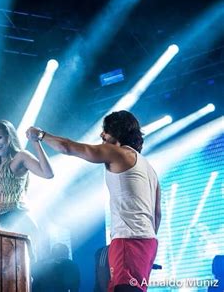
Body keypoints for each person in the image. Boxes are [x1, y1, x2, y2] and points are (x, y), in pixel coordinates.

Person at [26, 111, 161, 292]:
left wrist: (41, 135)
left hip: (128, 241)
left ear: (116, 131)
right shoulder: (149, 168)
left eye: (105, 131)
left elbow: (68, 147)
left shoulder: (118, 153)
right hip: (147, 244)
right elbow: (157, 213)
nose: (101, 135)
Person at [0, 120, 54, 259]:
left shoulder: (21, 157)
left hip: (20, 223)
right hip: (4, 227)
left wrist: (36, 142)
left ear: (9, 137)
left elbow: (48, 173)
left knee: (25, 272)